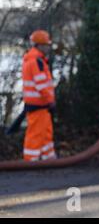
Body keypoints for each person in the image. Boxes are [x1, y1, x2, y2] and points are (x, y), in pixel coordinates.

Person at [22, 29, 57, 161]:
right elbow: (41, 84)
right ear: (40, 45)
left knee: (45, 132)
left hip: (40, 105)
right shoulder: (36, 61)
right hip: (39, 104)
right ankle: (31, 160)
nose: (48, 48)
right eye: (47, 45)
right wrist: (50, 100)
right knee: (36, 133)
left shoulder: (33, 59)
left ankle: (48, 157)